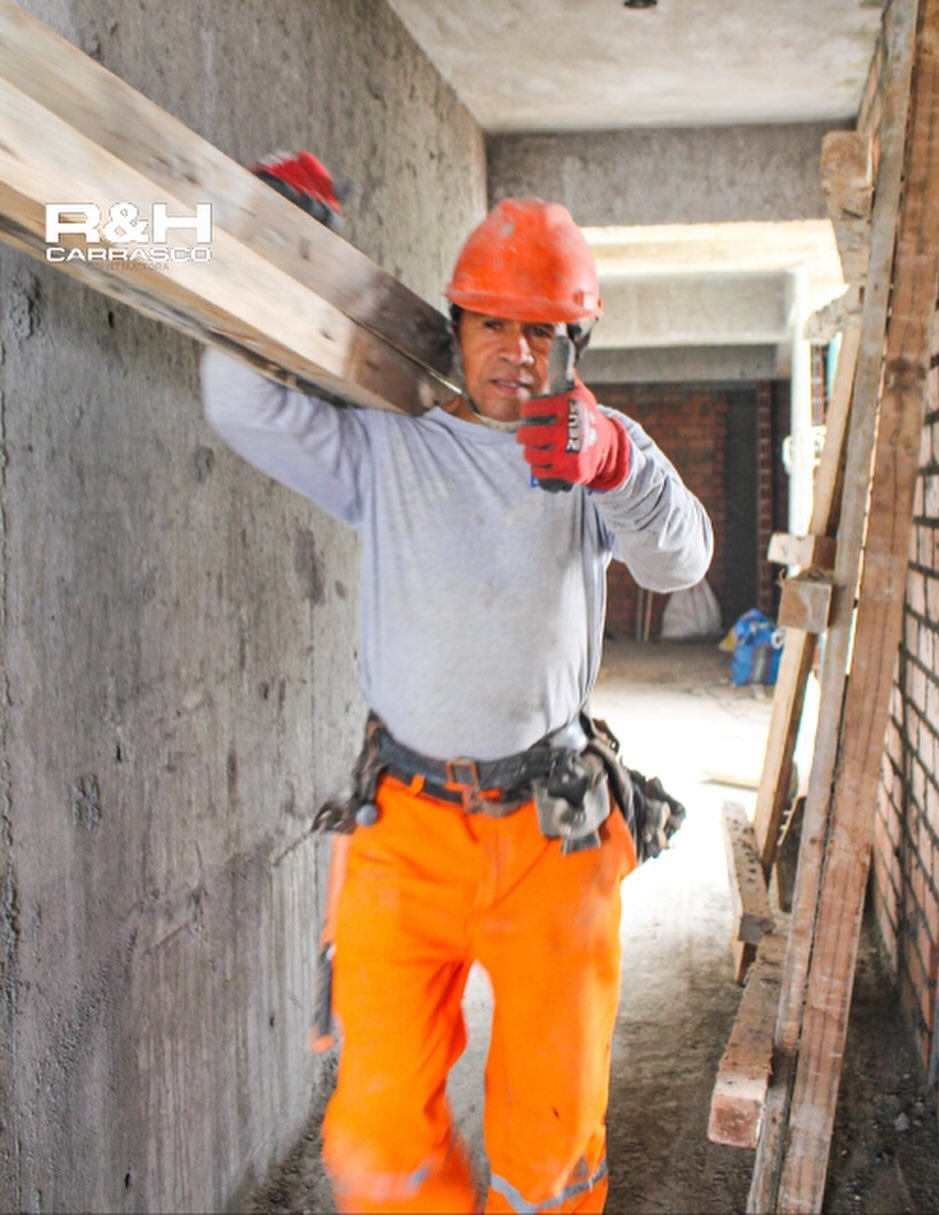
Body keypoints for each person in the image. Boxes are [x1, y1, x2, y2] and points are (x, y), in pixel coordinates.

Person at [201, 158, 712, 1215]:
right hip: (408, 831)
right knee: (380, 1128)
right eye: (493, 324)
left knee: (553, 1132)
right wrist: (262, 251)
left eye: (543, 332)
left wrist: (616, 459)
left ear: (575, 345)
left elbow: (683, 560)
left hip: (551, 834)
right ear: (457, 326)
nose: (517, 352)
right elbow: (242, 407)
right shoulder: (390, 446)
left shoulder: (595, 457)